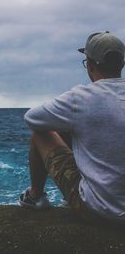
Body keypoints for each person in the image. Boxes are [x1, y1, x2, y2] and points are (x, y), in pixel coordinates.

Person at [19, 31, 125, 224]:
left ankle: (35, 197)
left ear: (90, 65)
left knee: (42, 134)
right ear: (122, 64)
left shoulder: (81, 98)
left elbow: (31, 119)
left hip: (100, 211)